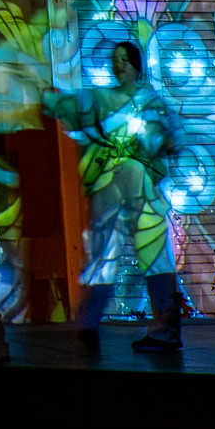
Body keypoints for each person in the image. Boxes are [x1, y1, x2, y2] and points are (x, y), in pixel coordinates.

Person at [45, 38, 185, 352]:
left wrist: (157, 141)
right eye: (115, 59)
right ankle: (88, 324)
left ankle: (166, 330)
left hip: (143, 188)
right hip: (109, 188)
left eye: (124, 59)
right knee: (101, 251)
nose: (118, 64)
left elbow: (175, 138)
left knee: (153, 252)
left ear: (136, 66)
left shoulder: (152, 102)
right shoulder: (104, 99)